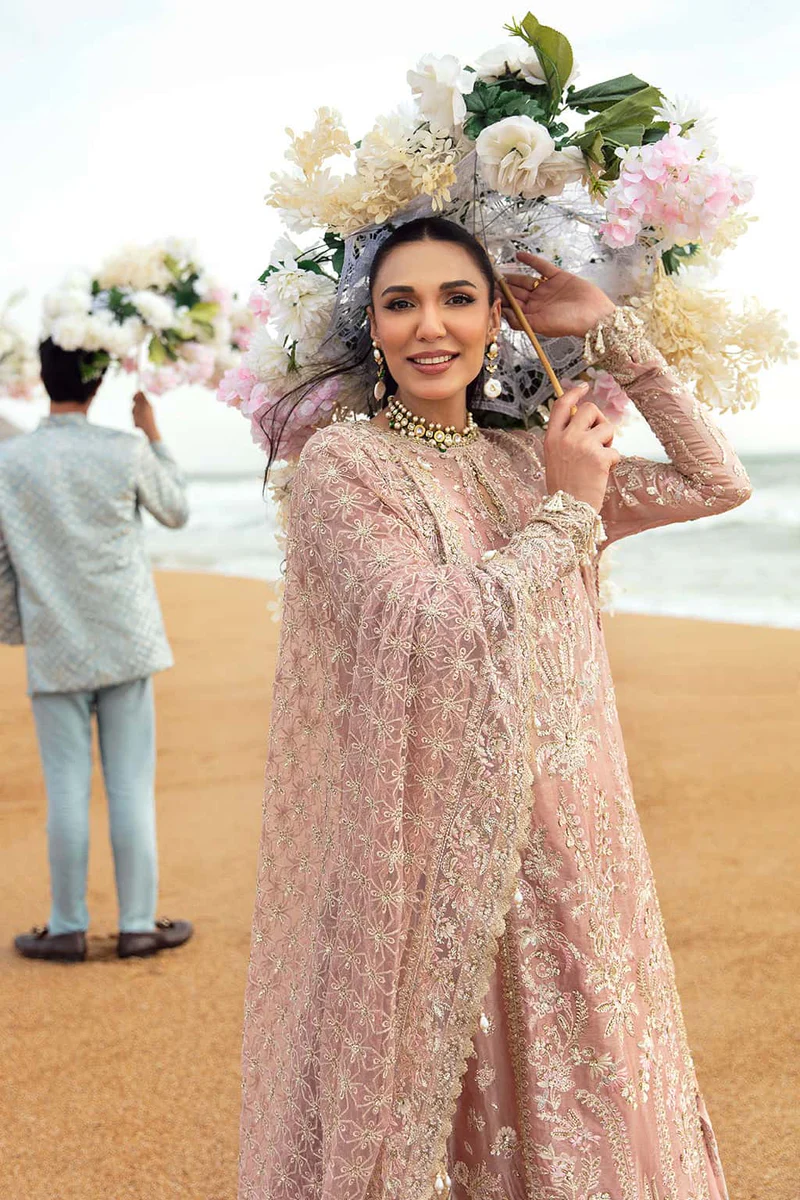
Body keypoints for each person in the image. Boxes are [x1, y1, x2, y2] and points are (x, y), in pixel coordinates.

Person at [239, 218, 751, 1200]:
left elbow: (714, 481)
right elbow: (426, 628)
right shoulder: (347, 470)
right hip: (436, 854)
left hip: (576, 853)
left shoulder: (528, 455)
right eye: (400, 302)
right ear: (370, 327)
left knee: (591, 1096)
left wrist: (610, 339)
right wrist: (567, 512)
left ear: (493, 320)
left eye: (457, 298)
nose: (429, 326)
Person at [0, 338, 194, 963]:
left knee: (64, 791)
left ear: (42, 375)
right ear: (98, 379)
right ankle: (138, 925)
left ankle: (67, 927)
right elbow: (176, 512)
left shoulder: (10, 460)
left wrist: (18, 630)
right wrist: (154, 432)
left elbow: (2, 563)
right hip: (126, 640)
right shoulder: (125, 449)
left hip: (56, 645)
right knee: (131, 787)